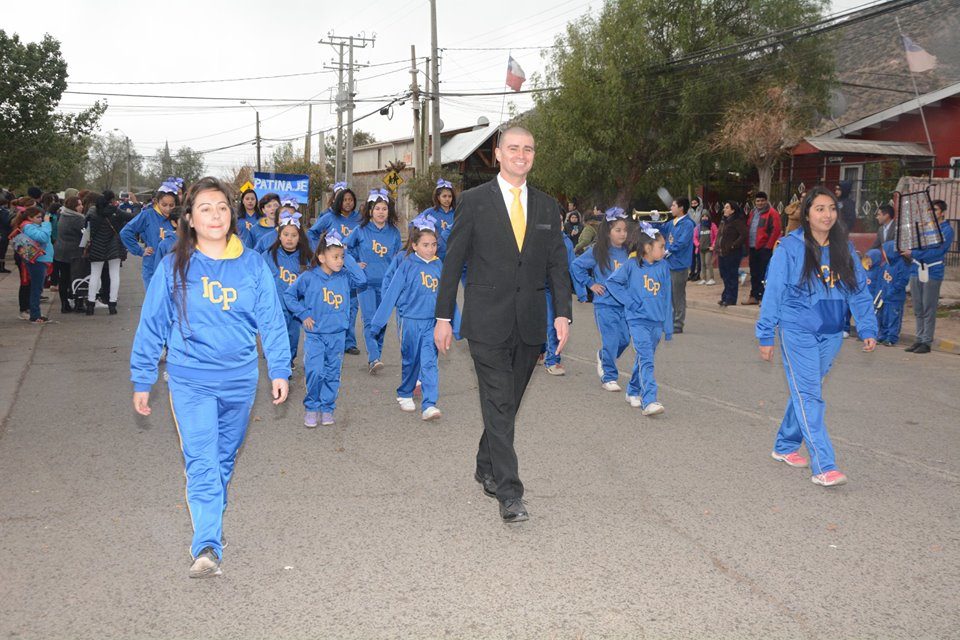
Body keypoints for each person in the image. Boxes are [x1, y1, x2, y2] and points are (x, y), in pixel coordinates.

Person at [131, 176, 291, 578]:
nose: (215, 215)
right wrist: (142, 376)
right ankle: (206, 543)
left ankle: (210, 520)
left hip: (239, 379)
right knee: (202, 460)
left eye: (221, 207)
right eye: (204, 208)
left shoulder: (253, 263)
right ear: (189, 217)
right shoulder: (173, 266)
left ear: (231, 215)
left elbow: (272, 321)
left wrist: (279, 369)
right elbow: (152, 325)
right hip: (190, 380)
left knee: (222, 459)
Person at [434, 126, 572, 524]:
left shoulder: (547, 207)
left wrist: (562, 313)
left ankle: (485, 463)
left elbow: (557, 265)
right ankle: (510, 492)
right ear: (497, 153)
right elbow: (453, 262)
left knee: (506, 405)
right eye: (513, 148)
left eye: (528, 148)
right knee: (498, 400)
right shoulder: (474, 202)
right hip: (486, 322)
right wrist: (444, 317)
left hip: (530, 322)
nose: (521, 154)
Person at [756, 186, 878, 488]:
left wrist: (867, 327)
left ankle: (784, 445)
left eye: (832, 208)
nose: (828, 214)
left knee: (804, 390)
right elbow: (774, 293)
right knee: (810, 395)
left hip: (833, 332)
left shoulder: (844, 248)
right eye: (820, 208)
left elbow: (858, 290)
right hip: (798, 331)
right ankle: (824, 464)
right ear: (807, 214)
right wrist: (766, 334)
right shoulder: (789, 247)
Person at [283, 231, 367, 427]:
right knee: (314, 371)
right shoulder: (309, 277)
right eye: (335, 257)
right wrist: (303, 314)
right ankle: (312, 407)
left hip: (337, 334)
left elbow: (362, 280)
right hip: (316, 336)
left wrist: (348, 259)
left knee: (332, 373)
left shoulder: (345, 276)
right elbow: (289, 296)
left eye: (341, 257)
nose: (339, 261)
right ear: (321, 257)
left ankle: (327, 407)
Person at [371, 217, 445, 420]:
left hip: (432, 322)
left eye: (434, 245)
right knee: (411, 360)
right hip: (410, 321)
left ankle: (430, 404)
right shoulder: (406, 264)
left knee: (429, 362)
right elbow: (391, 293)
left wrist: (454, 323)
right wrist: (378, 322)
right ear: (414, 245)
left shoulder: (439, 265)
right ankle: (405, 392)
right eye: (425, 245)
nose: (430, 249)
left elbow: (447, 296)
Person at [605, 221, 673, 415]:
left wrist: (667, 325)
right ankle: (649, 399)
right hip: (637, 321)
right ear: (647, 248)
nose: (664, 249)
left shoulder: (664, 266)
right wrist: (631, 302)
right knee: (646, 359)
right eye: (661, 246)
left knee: (644, 358)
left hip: (656, 322)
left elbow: (667, 296)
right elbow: (613, 283)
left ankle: (632, 390)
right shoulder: (631, 265)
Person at [572, 207, 632, 391]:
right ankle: (609, 376)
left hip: (625, 305)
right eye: (618, 230)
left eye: (625, 230)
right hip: (605, 304)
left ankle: (603, 356)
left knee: (624, 340)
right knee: (611, 340)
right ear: (608, 232)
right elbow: (576, 266)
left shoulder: (630, 252)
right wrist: (590, 284)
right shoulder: (598, 251)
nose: (623, 234)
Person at [345, 189, 403, 373]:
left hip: (386, 284)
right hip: (365, 284)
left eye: (384, 208)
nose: (380, 212)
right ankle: (374, 357)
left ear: (388, 211)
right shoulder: (360, 230)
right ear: (370, 211)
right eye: (377, 208)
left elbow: (398, 257)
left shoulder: (394, 233)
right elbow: (344, 249)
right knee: (370, 319)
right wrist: (355, 264)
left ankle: (376, 353)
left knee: (382, 321)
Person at [306, 187, 362, 355]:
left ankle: (349, 342)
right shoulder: (329, 217)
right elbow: (312, 232)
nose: (348, 203)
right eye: (344, 200)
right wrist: (319, 251)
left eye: (351, 200)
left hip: (350, 265)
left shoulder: (359, 219)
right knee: (332, 302)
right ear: (339, 201)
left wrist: (358, 260)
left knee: (351, 306)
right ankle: (327, 337)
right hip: (331, 265)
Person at [262, 208, 312, 370]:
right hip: (276, 305)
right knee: (278, 334)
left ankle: (289, 359)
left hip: (296, 306)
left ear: (300, 237)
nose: (289, 239)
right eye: (286, 235)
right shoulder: (269, 255)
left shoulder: (305, 257)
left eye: (294, 235)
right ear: (279, 236)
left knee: (293, 334)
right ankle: (280, 363)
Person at [902, 199, 954, 354]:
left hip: (933, 271)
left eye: (935, 210)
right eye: (929, 210)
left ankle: (926, 341)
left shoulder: (946, 230)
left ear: (942, 213)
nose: (931, 213)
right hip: (916, 269)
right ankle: (918, 339)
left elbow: (937, 252)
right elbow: (913, 244)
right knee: (918, 307)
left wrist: (915, 253)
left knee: (928, 307)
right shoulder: (923, 228)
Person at [544, 208, 586, 376]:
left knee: (556, 324)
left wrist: (581, 292)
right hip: (540, 290)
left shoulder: (567, 243)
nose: (558, 225)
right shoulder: (537, 242)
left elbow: (573, 268)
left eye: (560, 221)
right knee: (545, 323)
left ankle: (553, 359)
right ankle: (545, 355)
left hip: (560, 290)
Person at [119, 182, 179, 290]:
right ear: (157, 202)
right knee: (154, 304)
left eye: (171, 205)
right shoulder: (147, 215)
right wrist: (140, 250)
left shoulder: (178, 217)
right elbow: (125, 232)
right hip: (152, 268)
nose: (168, 209)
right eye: (164, 205)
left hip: (174, 270)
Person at [84, 191, 126, 315]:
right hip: (114, 246)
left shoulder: (92, 213)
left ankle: (90, 304)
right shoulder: (116, 212)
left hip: (97, 246)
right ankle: (112, 304)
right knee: (114, 275)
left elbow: (86, 229)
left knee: (95, 275)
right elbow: (132, 217)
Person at [11, 206, 53, 324]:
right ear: (30, 218)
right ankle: (35, 315)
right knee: (36, 288)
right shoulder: (28, 226)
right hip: (37, 261)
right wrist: (46, 224)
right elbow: (43, 237)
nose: (41, 219)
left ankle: (35, 313)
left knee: (36, 287)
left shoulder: (32, 226)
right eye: (38, 217)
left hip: (40, 260)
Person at [664, 197, 696, 333]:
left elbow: (682, 242)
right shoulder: (672, 223)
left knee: (678, 295)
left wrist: (669, 250)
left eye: (673, 205)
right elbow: (660, 229)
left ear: (681, 208)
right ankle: (670, 321)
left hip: (679, 264)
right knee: (669, 295)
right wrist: (652, 220)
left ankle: (678, 323)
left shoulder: (688, 224)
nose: (671, 208)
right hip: (669, 264)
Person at [745, 191, 782, 305]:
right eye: (757, 201)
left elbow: (776, 230)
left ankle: (764, 297)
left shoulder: (772, 213)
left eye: (762, 200)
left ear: (766, 201)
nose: (760, 203)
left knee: (764, 273)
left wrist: (768, 246)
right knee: (754, 272)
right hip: (752, 247)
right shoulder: (753, 212)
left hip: (764, 248)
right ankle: (754, 296)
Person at [53, 196, 85, 313]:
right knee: (76, 278)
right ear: (74, 207)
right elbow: (85, 234)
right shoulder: (78, 219)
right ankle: (78, 304)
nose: (82, 206)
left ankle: (64, 304)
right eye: (79, 204)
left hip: (60, 251)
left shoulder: (62, 214)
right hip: (74, 252)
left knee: (64, 279)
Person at [876, 241, 911, 347]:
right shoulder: (887, 264)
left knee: (893, 318)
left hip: (895, 298)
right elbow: (882, 280)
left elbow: (903, 281)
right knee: (883, 317)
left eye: (885, 252)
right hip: (885, 297)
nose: (884, 255)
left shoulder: (902, 264)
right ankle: (882, 336)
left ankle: (891, 338)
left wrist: (892, 291)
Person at [695, 211, 718, 286]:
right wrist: (698, 245)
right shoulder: (698, 227)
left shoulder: (712, 225)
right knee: (702, 264)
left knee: (708, 263)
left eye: (706, 216)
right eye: (703, 216)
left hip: (709, 248)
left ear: (709, 217)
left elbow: (716, 236)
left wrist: (713, 246)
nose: (704, 218)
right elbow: (694, 237)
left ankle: (711, 279)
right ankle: (703, 279)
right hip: (701, 248)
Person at [688, 196, 705, 282]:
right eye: (692, 203)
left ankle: (698, 273)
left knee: (698, 256)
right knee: (691, 256)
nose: (694, 205)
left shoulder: (702, 211)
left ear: (699, 203)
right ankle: (691, 273)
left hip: (699, 235)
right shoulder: (689, 212)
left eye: (695, 203)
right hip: (691, 235)